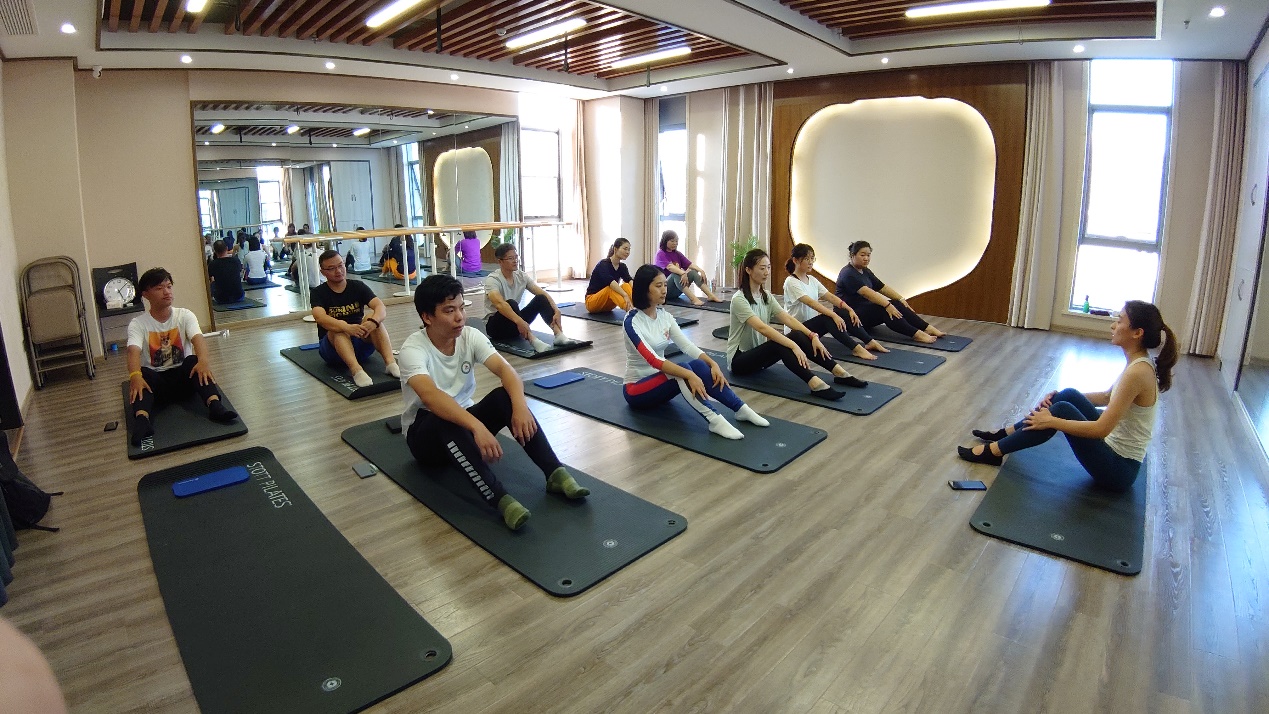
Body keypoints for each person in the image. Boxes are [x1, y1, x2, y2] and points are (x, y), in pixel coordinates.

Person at [401, 274, 589, 530]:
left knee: (504, 397)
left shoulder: (470, 336)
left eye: (461, 308)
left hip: (463, 420)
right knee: (444, 419)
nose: (459, 317)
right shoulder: (413, 349)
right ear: (427, 317)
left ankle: (555, 472)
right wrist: (477, 427)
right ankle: (500, 499)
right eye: (449, 311)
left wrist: (520, 407)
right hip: (426, 436)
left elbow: (506, 371)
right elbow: (431, 398)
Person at [958, 301, 1176, 492]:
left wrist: (1052, 421)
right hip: (1113, 452)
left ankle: (993, 452)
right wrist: (1059, 396)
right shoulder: (1138, 363)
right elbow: (1107, 397)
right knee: (1068, 395)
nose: (1113, 326)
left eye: (1119, 321)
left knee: (1061, 410)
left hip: (1118, 470)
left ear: (1137, 333)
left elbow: (1101, 429)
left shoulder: (1137, 373)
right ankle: (1007, 434)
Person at [624, 264, 769, 439]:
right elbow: (654, 360)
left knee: (699, 365)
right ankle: (715, 420)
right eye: (658, 286)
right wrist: (689, 375)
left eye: (665, 285)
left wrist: (713, 364)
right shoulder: (632, 321)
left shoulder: (664, 316)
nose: (664, 290)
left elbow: (687, 346)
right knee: (684, 371)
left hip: (661, 384)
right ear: (644, 289)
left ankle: (741, 409)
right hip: (636, 390)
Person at [727, 249, 867, 400]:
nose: (766, 272)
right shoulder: (739, 299)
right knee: (781, 342)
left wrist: (812, 335)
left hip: (760, 360)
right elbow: (762, 328)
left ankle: (839, 372)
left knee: (797, 335)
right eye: (762, 268)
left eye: (768, 267)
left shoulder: (766, 296)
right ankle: (815, 384)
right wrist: (793, 345)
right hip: (739, 361)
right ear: (748, 270)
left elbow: (788, 319)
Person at [126, 268, 238, 446]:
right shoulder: (138, 323)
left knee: (194, 361)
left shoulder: (185, 315)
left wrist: (203, 361)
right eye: (159, 288)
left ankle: (215, 406)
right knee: (142, 374)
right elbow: (133, 351)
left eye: (169, 286)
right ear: (145, 294)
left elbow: (198, 339)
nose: (166, 292)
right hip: (158, 386)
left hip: (184, 380)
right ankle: (142, 421)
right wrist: (135, 376)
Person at [310, 249, 399, 388]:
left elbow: (380, 306)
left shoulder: (357, 286)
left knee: (372, 319)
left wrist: (374, 322)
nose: (338, 271)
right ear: (323, 272)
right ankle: (356, 370)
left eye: (340, 265)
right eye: (332, 268)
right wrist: (346, 327)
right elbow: (320, 317)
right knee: (338, 329)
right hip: (333, 350)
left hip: (359, 343)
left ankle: (390, 363)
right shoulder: (318, 292)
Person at [784, 243, 889, 361]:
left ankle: (869, 341)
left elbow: (830, 297)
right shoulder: (791, 282)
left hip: (812, 331)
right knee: (828, 318)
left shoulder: (812, 280)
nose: (811, 262)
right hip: (797, 331)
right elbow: (812, 303)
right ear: (795, 260)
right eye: (807, 259)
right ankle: (857, 349)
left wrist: (849, 309)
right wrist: (834, 315)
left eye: (812, 258)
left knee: (843, 312)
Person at [835, 241, 946, 344]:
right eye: (862, 255)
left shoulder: (865, 271)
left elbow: (882, 287)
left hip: (863, 311)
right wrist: (888, 305)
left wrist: (901, 299)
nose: (866, 258)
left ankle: (927, 328)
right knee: (886, 310)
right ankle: (917, 334)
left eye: (868, 255)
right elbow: (867, 293)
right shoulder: (848, 273)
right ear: (852, 255)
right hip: (850, 317)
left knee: (896, 303)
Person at [483, 243, 579, 351]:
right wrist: (520, 321)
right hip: (496, 328)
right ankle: (533, 340)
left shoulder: (521, 276)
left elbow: (542, 293)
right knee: (511, 303)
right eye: (510, 258)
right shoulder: (493, 279)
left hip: (516, 324)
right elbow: (500, 304)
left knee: (541, 298)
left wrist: (556, 310)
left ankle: (558, 334)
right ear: (500, 262)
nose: (515, 261)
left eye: (516, 257)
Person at [655, 230, 723, 305]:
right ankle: (694, 299)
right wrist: (683, 273)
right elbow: (670, 267)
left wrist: (701, 271)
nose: (675, 243)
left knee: (693, 272)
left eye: (676, 241)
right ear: (665, 241)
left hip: (676, 290)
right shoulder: (660, 254)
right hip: (664, 291)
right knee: (675, 274)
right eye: (672, 241)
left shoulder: (677, 254)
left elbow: (690, 264)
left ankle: (711, 295)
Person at [585, 238, 635, 313]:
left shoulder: (622, 266)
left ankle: (637, 307)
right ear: (615, 249)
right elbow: (611, 283)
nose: (627, 252)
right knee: (610, 288)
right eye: (625, 249)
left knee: (626, 285)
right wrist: (625, 295)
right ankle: (631, 310)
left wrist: (637, 293)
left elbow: (629, 280)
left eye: (629, 250)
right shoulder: (603, 264)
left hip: (608, 305)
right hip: (592, 303)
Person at [207, 239, 245, 304]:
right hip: (238, 296)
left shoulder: (212, 264)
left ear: (215, 251)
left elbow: (210, 279)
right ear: (227, 248)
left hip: (221, 298)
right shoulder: (236, 260)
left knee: (213, 283)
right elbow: (240, 273)